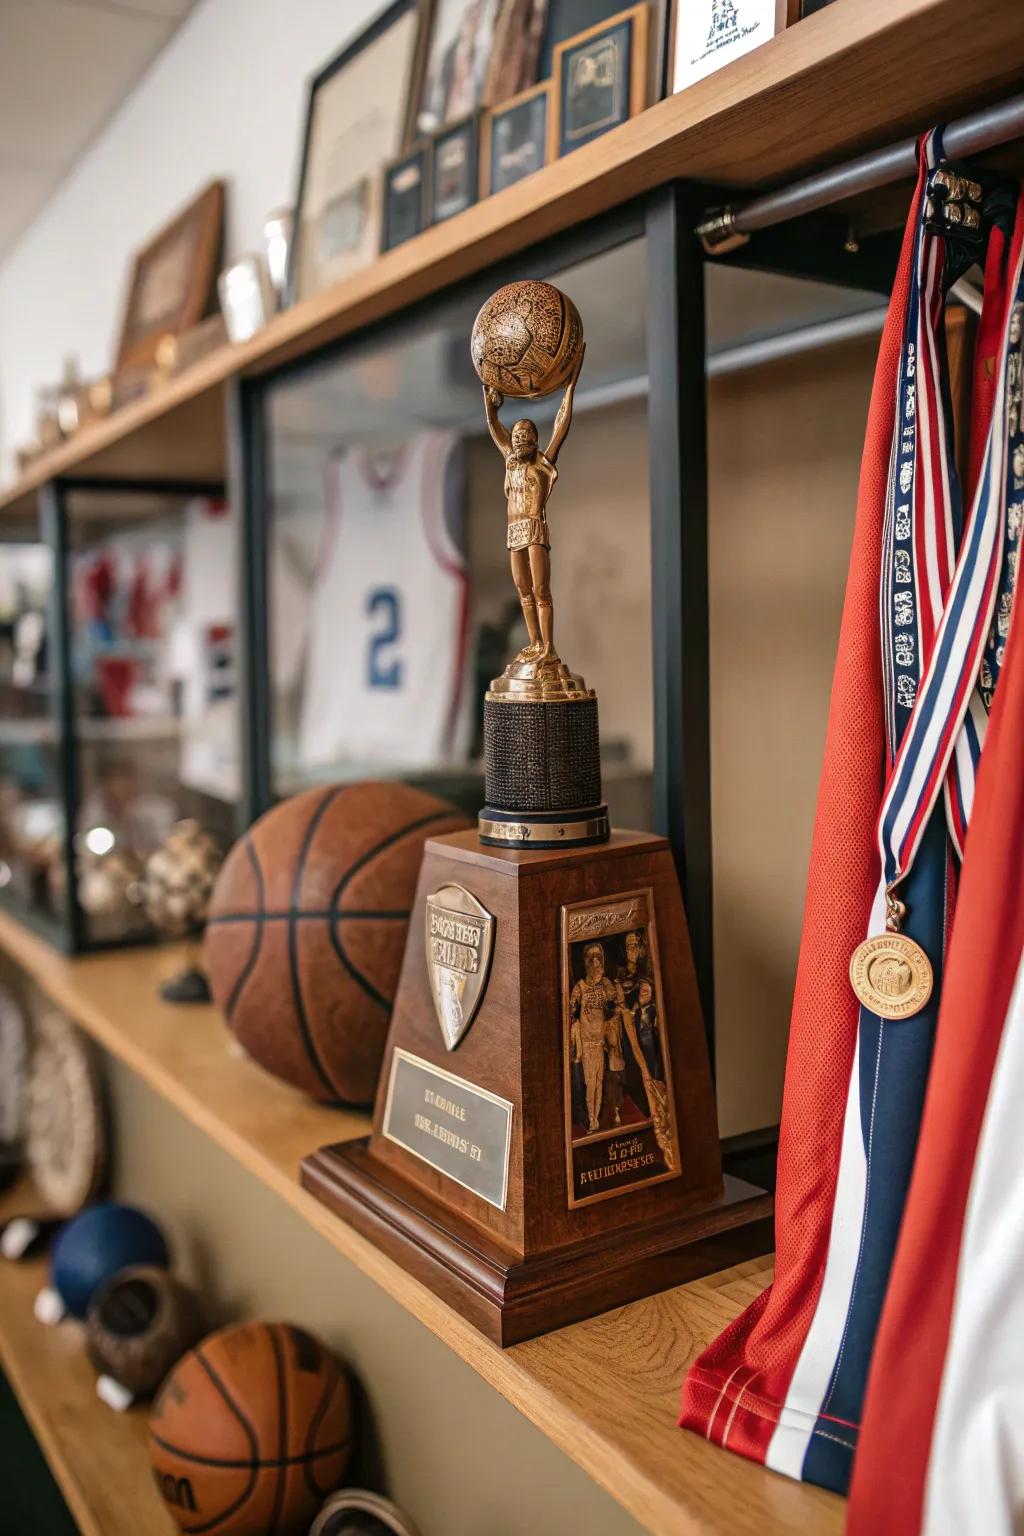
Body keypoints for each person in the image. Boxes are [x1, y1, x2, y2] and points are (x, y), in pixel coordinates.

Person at [482, 348, 582, 662]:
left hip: (535, 528)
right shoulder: (511, 463)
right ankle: (535, 643)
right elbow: (494, 427)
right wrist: (489, 401)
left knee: (541, 591)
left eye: (526, 434)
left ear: (536, 441)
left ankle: (549, 647)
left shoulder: (542, 464)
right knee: (523, 592)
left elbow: (561, 424)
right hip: (514, 532)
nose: (519, 437)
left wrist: (570, 385)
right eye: (517, 434)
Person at [568, 941, 617, 1133]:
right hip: (587, 1043)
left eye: (598, 957)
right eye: (591, 958)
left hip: (601, 1042)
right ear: (586, 961)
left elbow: (613, 1000)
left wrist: (603, 981)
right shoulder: (580, 987)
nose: (595, 961)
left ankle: (596, 1117)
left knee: (599, 1081)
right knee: (590, 1084)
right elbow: (571, 1010)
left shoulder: (605, 984)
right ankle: (592, 1119)